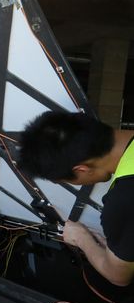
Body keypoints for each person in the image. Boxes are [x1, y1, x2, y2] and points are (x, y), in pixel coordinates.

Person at [18, 110, 134, 286]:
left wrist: (81, 238)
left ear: (82, 169)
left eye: (66, 180)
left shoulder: (123, 199)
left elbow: (119, 276)